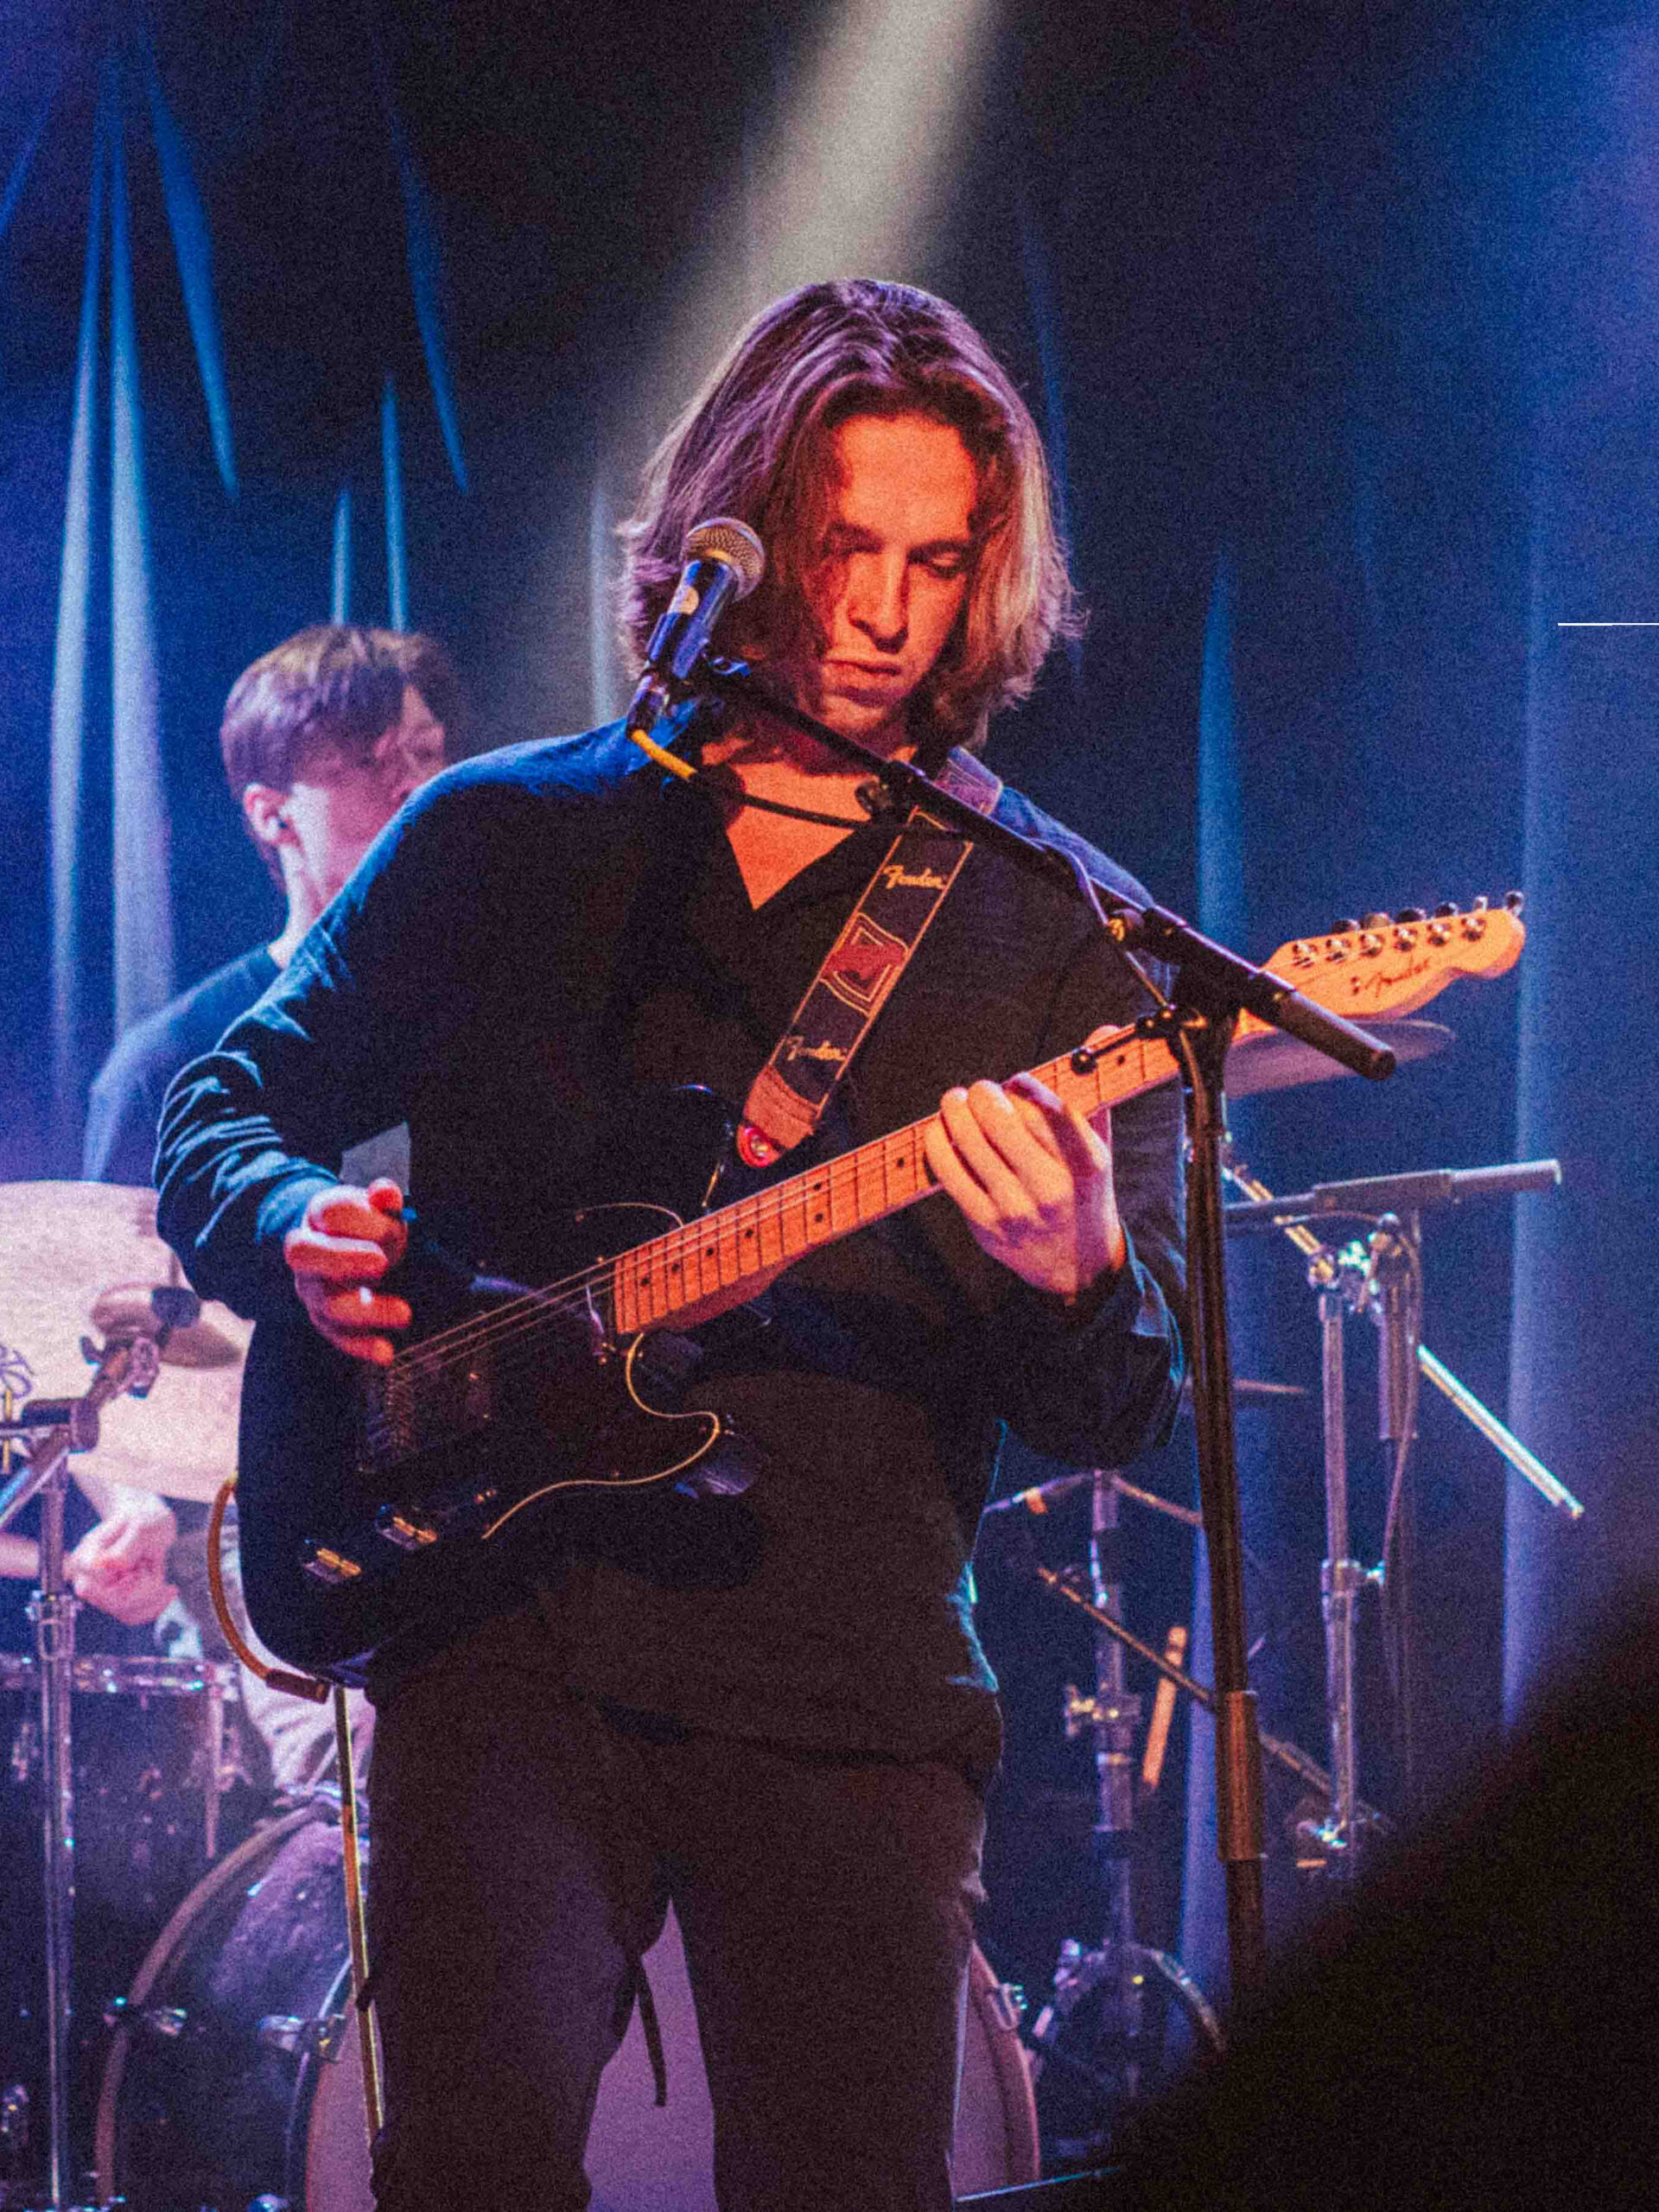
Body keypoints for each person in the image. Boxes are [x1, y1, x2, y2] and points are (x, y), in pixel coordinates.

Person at [156, 280, 1188, 2211]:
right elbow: (219, 1105)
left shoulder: (1056, 926)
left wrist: (1078, 1271)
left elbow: (1128, 1399)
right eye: (845, 548)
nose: (887, 615)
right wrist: (289, 1219)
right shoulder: (504, 836)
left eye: (939, 564)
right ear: (744, 528)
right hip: (500, 1631)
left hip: (846, 1678)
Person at [65, 624, 459, 1787]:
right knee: (383, 1773)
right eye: (368, 764)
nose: (414, 788)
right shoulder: (176, 1057)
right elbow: (90, 1320)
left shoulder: (494, 1013)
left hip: (487, 1472)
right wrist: (134, 1503)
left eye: (427, 753)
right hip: (271, 1514)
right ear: (272, 813)